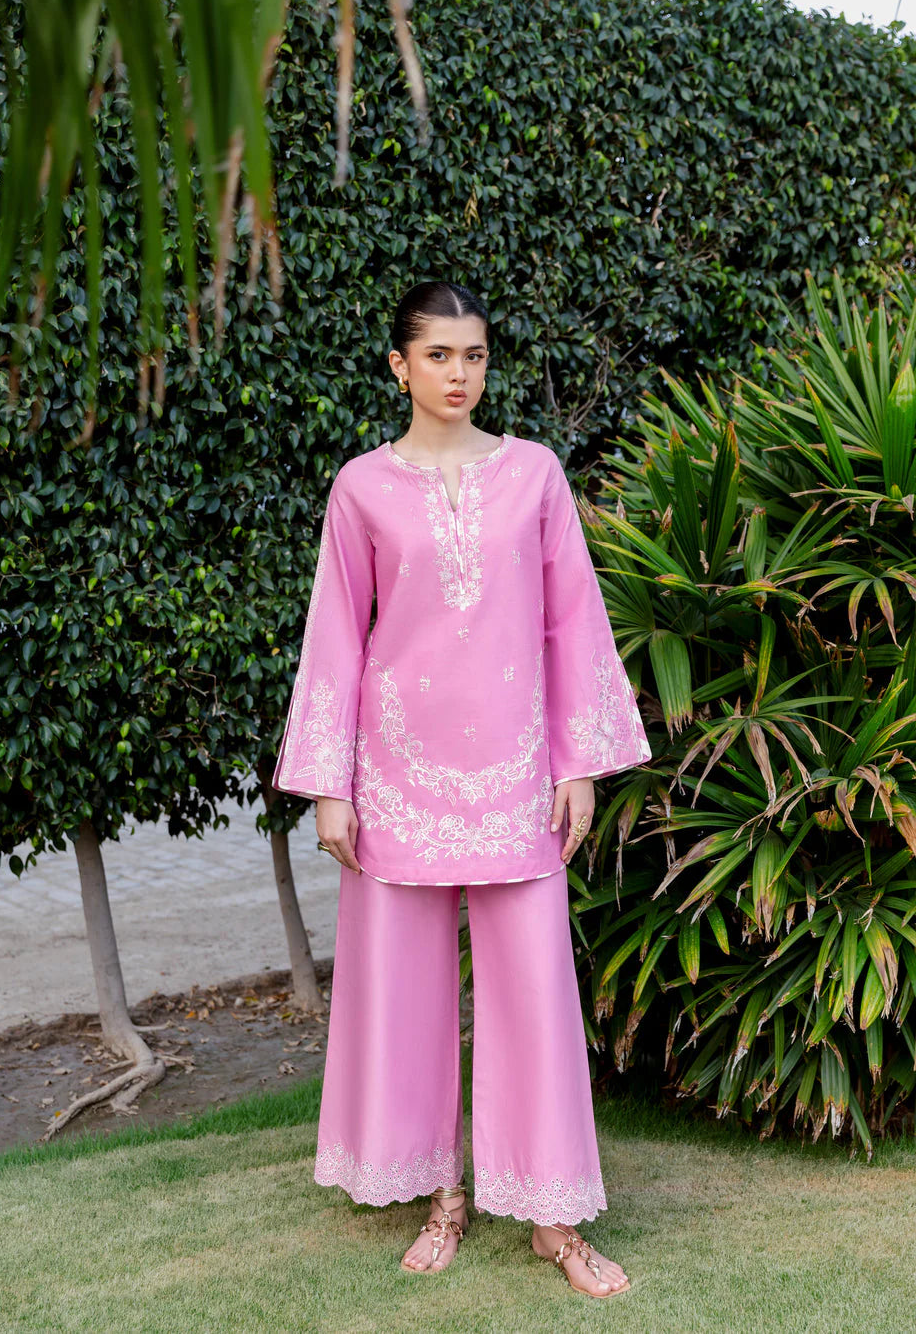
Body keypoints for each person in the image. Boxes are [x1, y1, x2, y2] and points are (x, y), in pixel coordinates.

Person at [272, 279, 651, 1296]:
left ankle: (555, 1219)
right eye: (438, 355)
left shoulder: (534, 474)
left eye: (473, 354)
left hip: (519, 776)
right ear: (400, 365)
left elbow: (571, 621)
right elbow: (336, 635)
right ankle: (441, 1195)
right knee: (406, 997)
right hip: (397, 776)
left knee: (535, 994)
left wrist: (576, 763)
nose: (458, 373)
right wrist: (330, 785)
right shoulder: (361, 487)